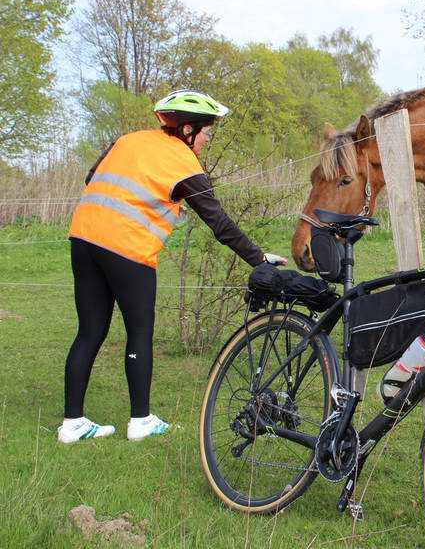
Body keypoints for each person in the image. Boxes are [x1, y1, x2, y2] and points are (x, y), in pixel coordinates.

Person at [58, 90, 287, 443]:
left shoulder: (128, 140)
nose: (207, 140)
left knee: (89, 331)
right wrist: (259, 259)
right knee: (139, 333)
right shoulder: (182, 162)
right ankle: (140, 421)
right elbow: (219, 223)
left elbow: (92, 179)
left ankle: (71, 424)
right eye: (207, 132)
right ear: (187, 130)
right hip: (128, 249)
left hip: (83, 239)